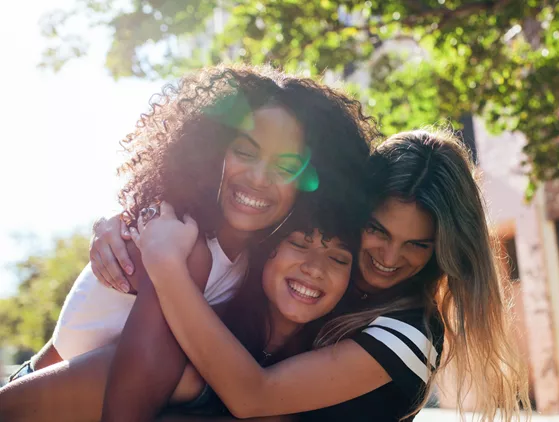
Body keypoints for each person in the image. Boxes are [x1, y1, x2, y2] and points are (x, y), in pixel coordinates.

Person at [2, 64, 375, 422]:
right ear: (213, 153)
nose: (259, 178)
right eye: (245, 152)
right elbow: (126, 410)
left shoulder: (258, 260)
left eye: (286, 165)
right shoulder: (177, 238)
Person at [88, 128, 530, 422]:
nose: (390, 258)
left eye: (418, 244)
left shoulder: (410, 332)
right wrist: (132, 223)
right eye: (377, 230)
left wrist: (164, 266)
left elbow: (252, 396)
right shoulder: (327, 285)